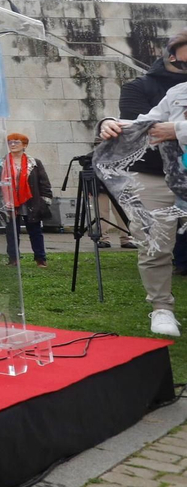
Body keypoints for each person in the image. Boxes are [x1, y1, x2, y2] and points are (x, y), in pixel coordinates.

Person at [98, 41, 187, 337]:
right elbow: (145, 122)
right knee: (155, 243)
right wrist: (110, 123)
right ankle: (161, 307)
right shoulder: (174, 92)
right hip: (162, 176)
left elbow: (167, 128)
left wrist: (177, 130)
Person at [0, 133, 53, 267]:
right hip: (8, 201)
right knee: (11, 232)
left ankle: (40, 259)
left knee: (35, 230)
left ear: (24, 145)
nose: (12, 145)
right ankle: (13, 259)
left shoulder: (34, 163)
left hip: (30, 201)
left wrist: (45, 200)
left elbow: (44, 182)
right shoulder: (0, 163)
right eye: (10, 142)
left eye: (16, 142)